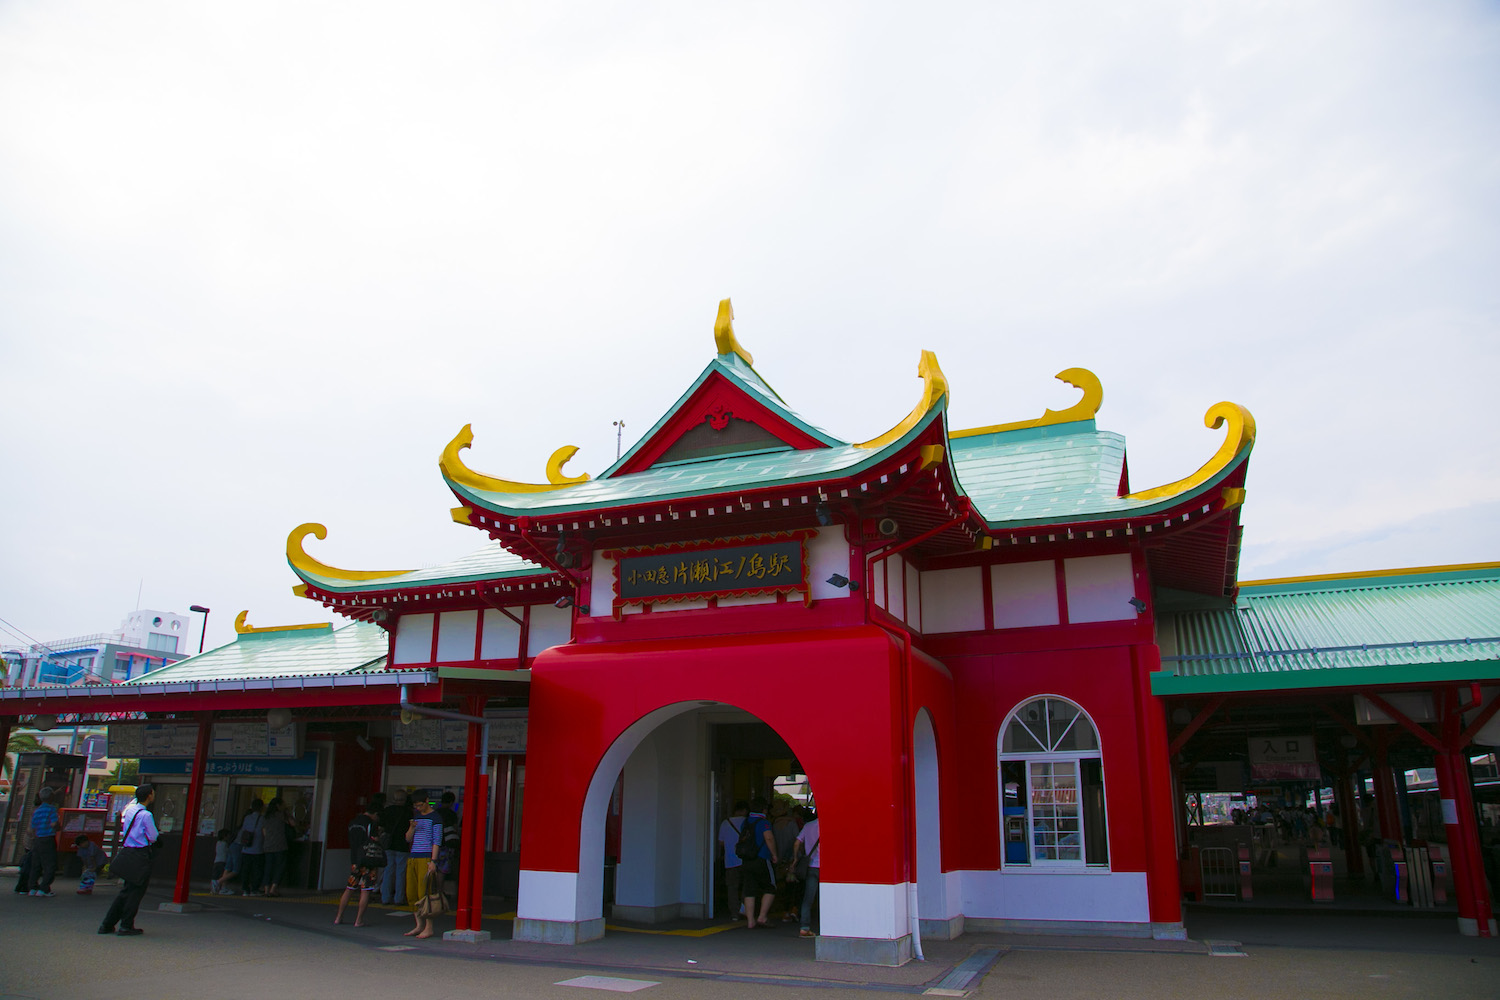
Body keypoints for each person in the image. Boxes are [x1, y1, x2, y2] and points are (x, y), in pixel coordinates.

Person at [98, 783, 159, 936]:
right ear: (149, 795)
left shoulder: (131, 810)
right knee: (135, 892)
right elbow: (153, 837)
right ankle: (126, 925)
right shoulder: (146, 815)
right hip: (140, 855)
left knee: (126, 890)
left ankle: (108, 923)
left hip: (128, 852)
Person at [334, 801, 384, 928]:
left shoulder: (353, 822)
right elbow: (375, 840)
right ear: (376, 814)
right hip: (368, 860)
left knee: (349, 888)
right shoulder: (371, 824)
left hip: (355, 860)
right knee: (365, 890)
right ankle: (359, 920)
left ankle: (338, 917)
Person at [404, 798, 445, 939]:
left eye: (420, 804)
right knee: (412, 892)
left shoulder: (436, 818)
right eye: (415, 805)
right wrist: (412, 827)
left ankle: (429, 927)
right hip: (413, 856)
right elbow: (408, 838)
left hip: (426, 858)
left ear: (427, 801)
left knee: (425, 893)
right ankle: (419, 925)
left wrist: (433, 861)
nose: (418, 808)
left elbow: (437, 841)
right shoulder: (416, 817)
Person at [741, 796, 778, 929]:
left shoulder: (745, 822)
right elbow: (768, 838)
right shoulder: (764, 822)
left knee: (749, 889)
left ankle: (750, 921)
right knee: (770, 887)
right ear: (764, 809)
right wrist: (774, 854)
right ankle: (762, 916)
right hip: (762, 858)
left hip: (747, 860)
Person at [379, 790, 413, 906]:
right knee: (401, 872)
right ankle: (399, 898)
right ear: (404, 800)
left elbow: (381, 827)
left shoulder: (387, 811)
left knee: (388, 871)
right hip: (402, 845)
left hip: (389, 845)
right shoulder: (409, 813)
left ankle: (385, 898)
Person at [793, 808, 821, 938]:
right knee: (828, 898)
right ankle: (830, 927)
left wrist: (795, 858)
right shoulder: (830, 825)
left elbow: (797, 842)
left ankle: (804, 927)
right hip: (827, 868)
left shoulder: (808, 826)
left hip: (811, 865)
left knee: (808, 898)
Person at [718, 800, 748, 918]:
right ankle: (745, 908)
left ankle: (734, 913)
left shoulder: (726, 823)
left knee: (732, 887)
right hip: (746, 859)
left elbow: (721, 843)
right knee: (747, 885)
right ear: (745, 810)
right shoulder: (747, 822)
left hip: (730, 860)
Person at [28, 787, 60, 897]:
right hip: (48, 838)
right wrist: (58, 826)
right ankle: (44, 888)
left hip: (38, 839)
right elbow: (54, 824)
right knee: (50, 864)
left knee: (36, 864)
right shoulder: (52, 809)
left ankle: (32, 887)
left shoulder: (37, 810)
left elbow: (33, 826)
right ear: (51, 797)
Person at [260, 797, 290, 897]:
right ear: (278, 805)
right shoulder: (281, 815)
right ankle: (274, 888)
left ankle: (266, 890)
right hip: (280, 845)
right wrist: (287, 812)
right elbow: (293, 823)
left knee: (268, 867)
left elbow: (264, 832)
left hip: (268, 845)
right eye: (283, 804)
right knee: (279, 867)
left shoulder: (266, 816)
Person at [238, 799, 266, 895]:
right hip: (258, 849)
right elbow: (264, 833)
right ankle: (255, 889)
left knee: (246, 870)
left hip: (246, 848)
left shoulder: (247, 818)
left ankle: (245, 889)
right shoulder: (263, 819)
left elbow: (243, 831)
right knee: (257, 871)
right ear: (262, 807)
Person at [209, 829, 236, 894]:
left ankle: (213, 889)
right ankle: (223, 888)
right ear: (225, 836)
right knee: (223, 876)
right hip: (223, 861)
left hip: (216, 861)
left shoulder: (218, 843)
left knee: (215, 876)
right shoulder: (225, 844)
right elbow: (227, 852)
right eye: (228, 836)